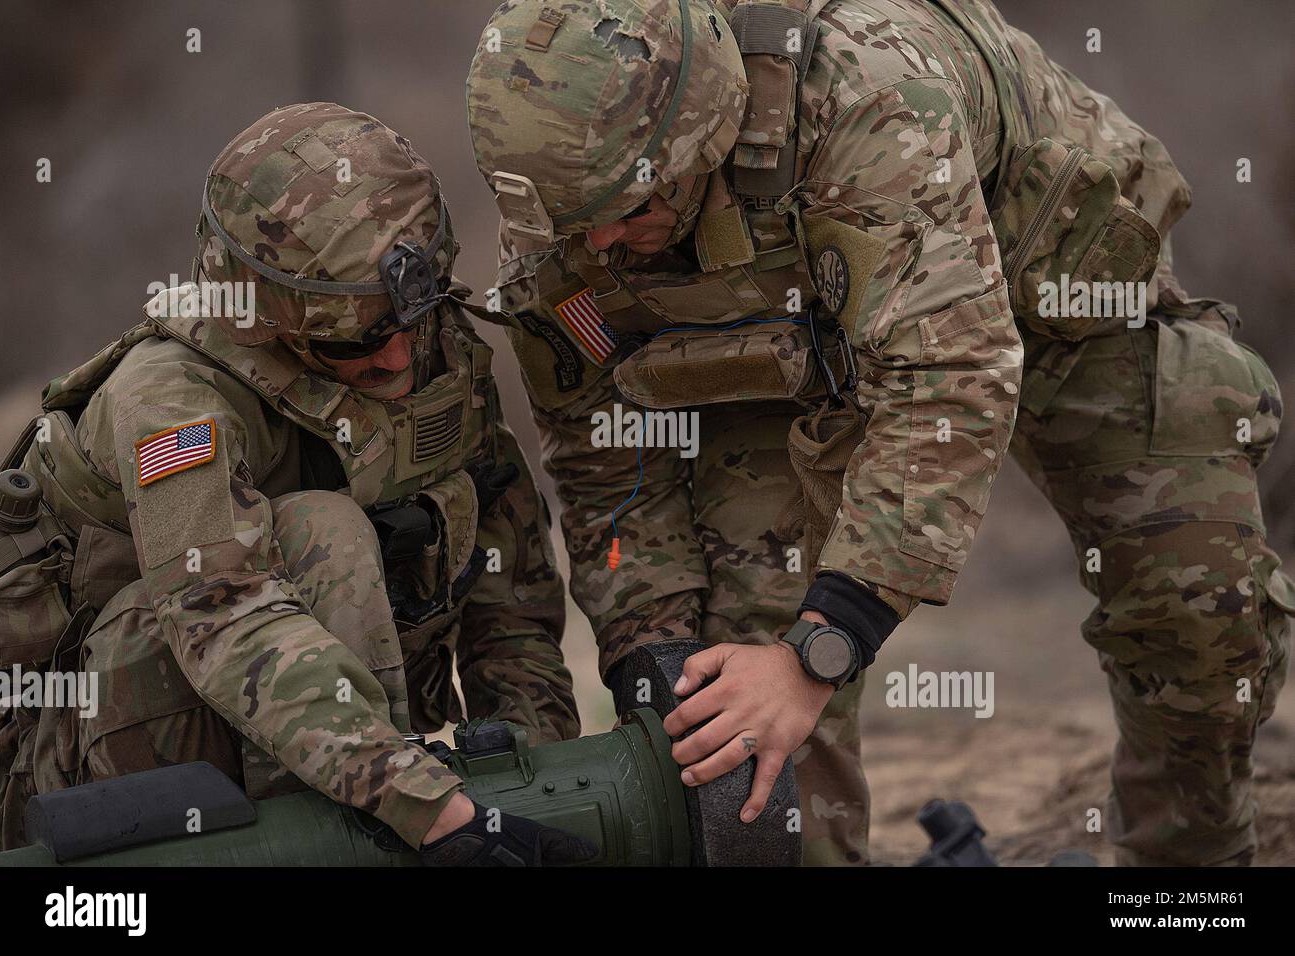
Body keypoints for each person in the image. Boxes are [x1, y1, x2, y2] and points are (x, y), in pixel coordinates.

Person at [465, 0, 1291, 865]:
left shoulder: (863, 92)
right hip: (784, 346)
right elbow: (606, 449)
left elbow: (950, 376)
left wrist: (825, 644)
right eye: (576, 217)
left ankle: (1181, 888)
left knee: (1200, 612)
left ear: (702, 132)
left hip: (1046, 302)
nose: (599, 239)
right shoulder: (569, 195)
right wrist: (654, 654)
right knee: (738, 699)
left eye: (630, 207)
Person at [0, 102, 594, 866]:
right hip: (83, 770)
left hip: (341, 754)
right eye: (358, 340)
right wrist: (419, 802)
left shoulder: (435, 356)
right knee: (322, 531)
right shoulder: (171, 399)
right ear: (271, 322)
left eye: (415, 317)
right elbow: (222, 608)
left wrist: (534, 780)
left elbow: (507, 582)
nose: (399, 359)